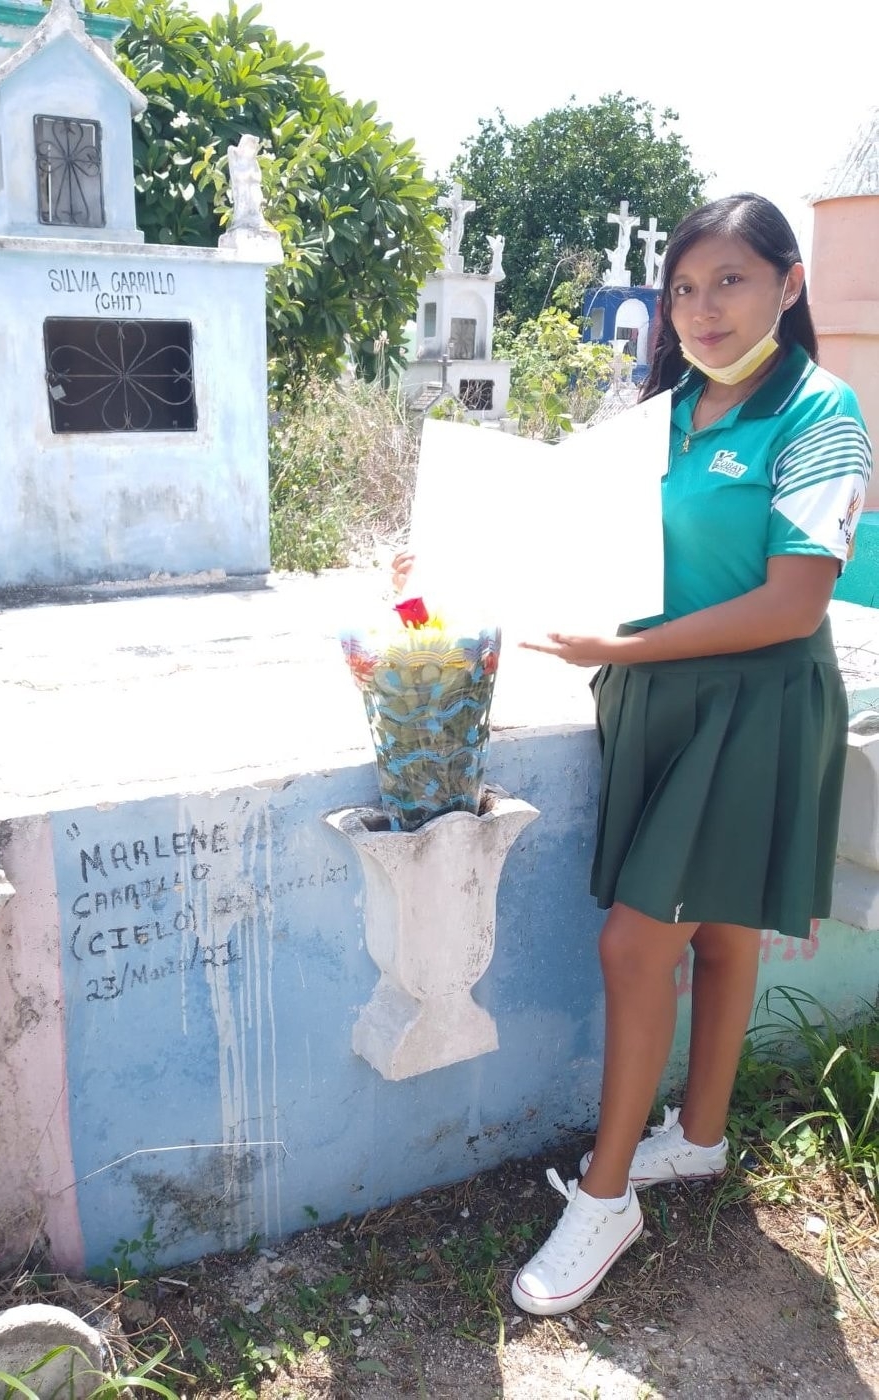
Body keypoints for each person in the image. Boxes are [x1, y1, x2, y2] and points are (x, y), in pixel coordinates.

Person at [393, 193, 872, 1316]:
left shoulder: (820, 411)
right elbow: (570, 530)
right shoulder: (666, 414)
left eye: (733, 282)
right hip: (657, 698)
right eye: (687, 287)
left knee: (635, 940)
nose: (704, 309)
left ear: (789, 285)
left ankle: (608, 1192)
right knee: (711, 923)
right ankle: (698, 1135)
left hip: (754, 701)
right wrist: (452, 552)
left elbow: (797, 600)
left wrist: (624, 642)